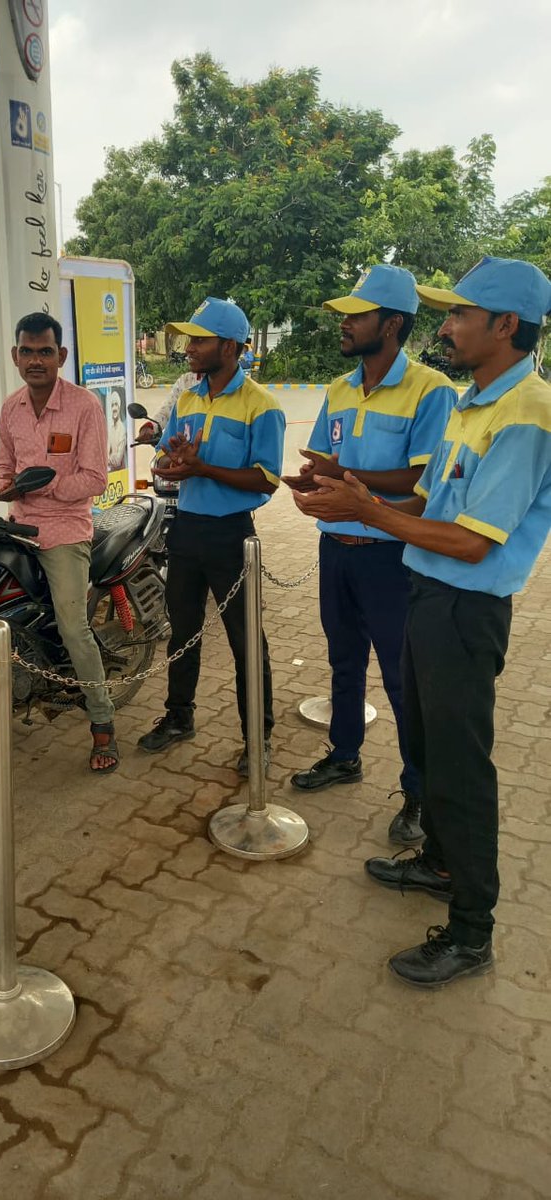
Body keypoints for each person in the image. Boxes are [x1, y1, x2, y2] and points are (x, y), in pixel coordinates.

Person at [292, 256, 551, 987]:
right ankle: (439, 861)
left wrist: (367, 510)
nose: (450, 325)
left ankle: (472, 932)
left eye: (462, 314)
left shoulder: (527, 413)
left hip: (467, 610)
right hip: (427, 593)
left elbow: (473, 539)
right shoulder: (475, 402)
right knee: (433, 746)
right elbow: (431, 507)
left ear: (506, 326)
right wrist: (345, 495)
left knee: (463, 770)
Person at [283, 265, 456, 845]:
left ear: (393, 323)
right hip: (336, 549)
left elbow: (420, 477)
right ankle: (345, 754)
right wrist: (315, 477)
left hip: (392, 558)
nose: (346, 324)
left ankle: (418, 793)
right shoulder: (338, 387)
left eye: (357, 315)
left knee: (404, 680)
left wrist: (348, 479)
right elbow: (332, 462)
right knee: (343, 660)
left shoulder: (430, 391)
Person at [137, 297, 285, 773]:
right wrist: (176, 460)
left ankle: (257, 738)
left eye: (199, 340)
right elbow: (163, 463)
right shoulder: (187, 398)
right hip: (187, 529)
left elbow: (266, 479)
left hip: (233, 537)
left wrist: (204, 468)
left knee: (245, 639)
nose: (189, 348)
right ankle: (178, 717)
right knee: (183, 630)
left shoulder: (262, 406)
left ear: (230, 346)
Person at [0, 311, 118, 773]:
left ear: (61, 355)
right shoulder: (10, 407)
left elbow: (96, 478)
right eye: (28, 351)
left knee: (72, 626)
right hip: (17, 525)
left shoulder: (84, 406)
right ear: (15, 355)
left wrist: (42, 488)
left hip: (65, 530)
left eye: (45, 351)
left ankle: (102, 722)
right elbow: (4, 462)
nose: (36, 360)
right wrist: (6, 484)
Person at [134, 369, 200, 446]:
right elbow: (167, 410)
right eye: (187, 356)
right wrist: (151, 427)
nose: (189, 357)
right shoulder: (186, 381)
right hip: (183, 449)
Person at [106, 386, 128, 471]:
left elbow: (117, 461)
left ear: (119, 407)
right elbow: (105, 453)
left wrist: (109, 458)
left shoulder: (122, 429)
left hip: (120, 471)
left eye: (116, 405)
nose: (114, 408)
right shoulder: (110, 428)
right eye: (112, 405)